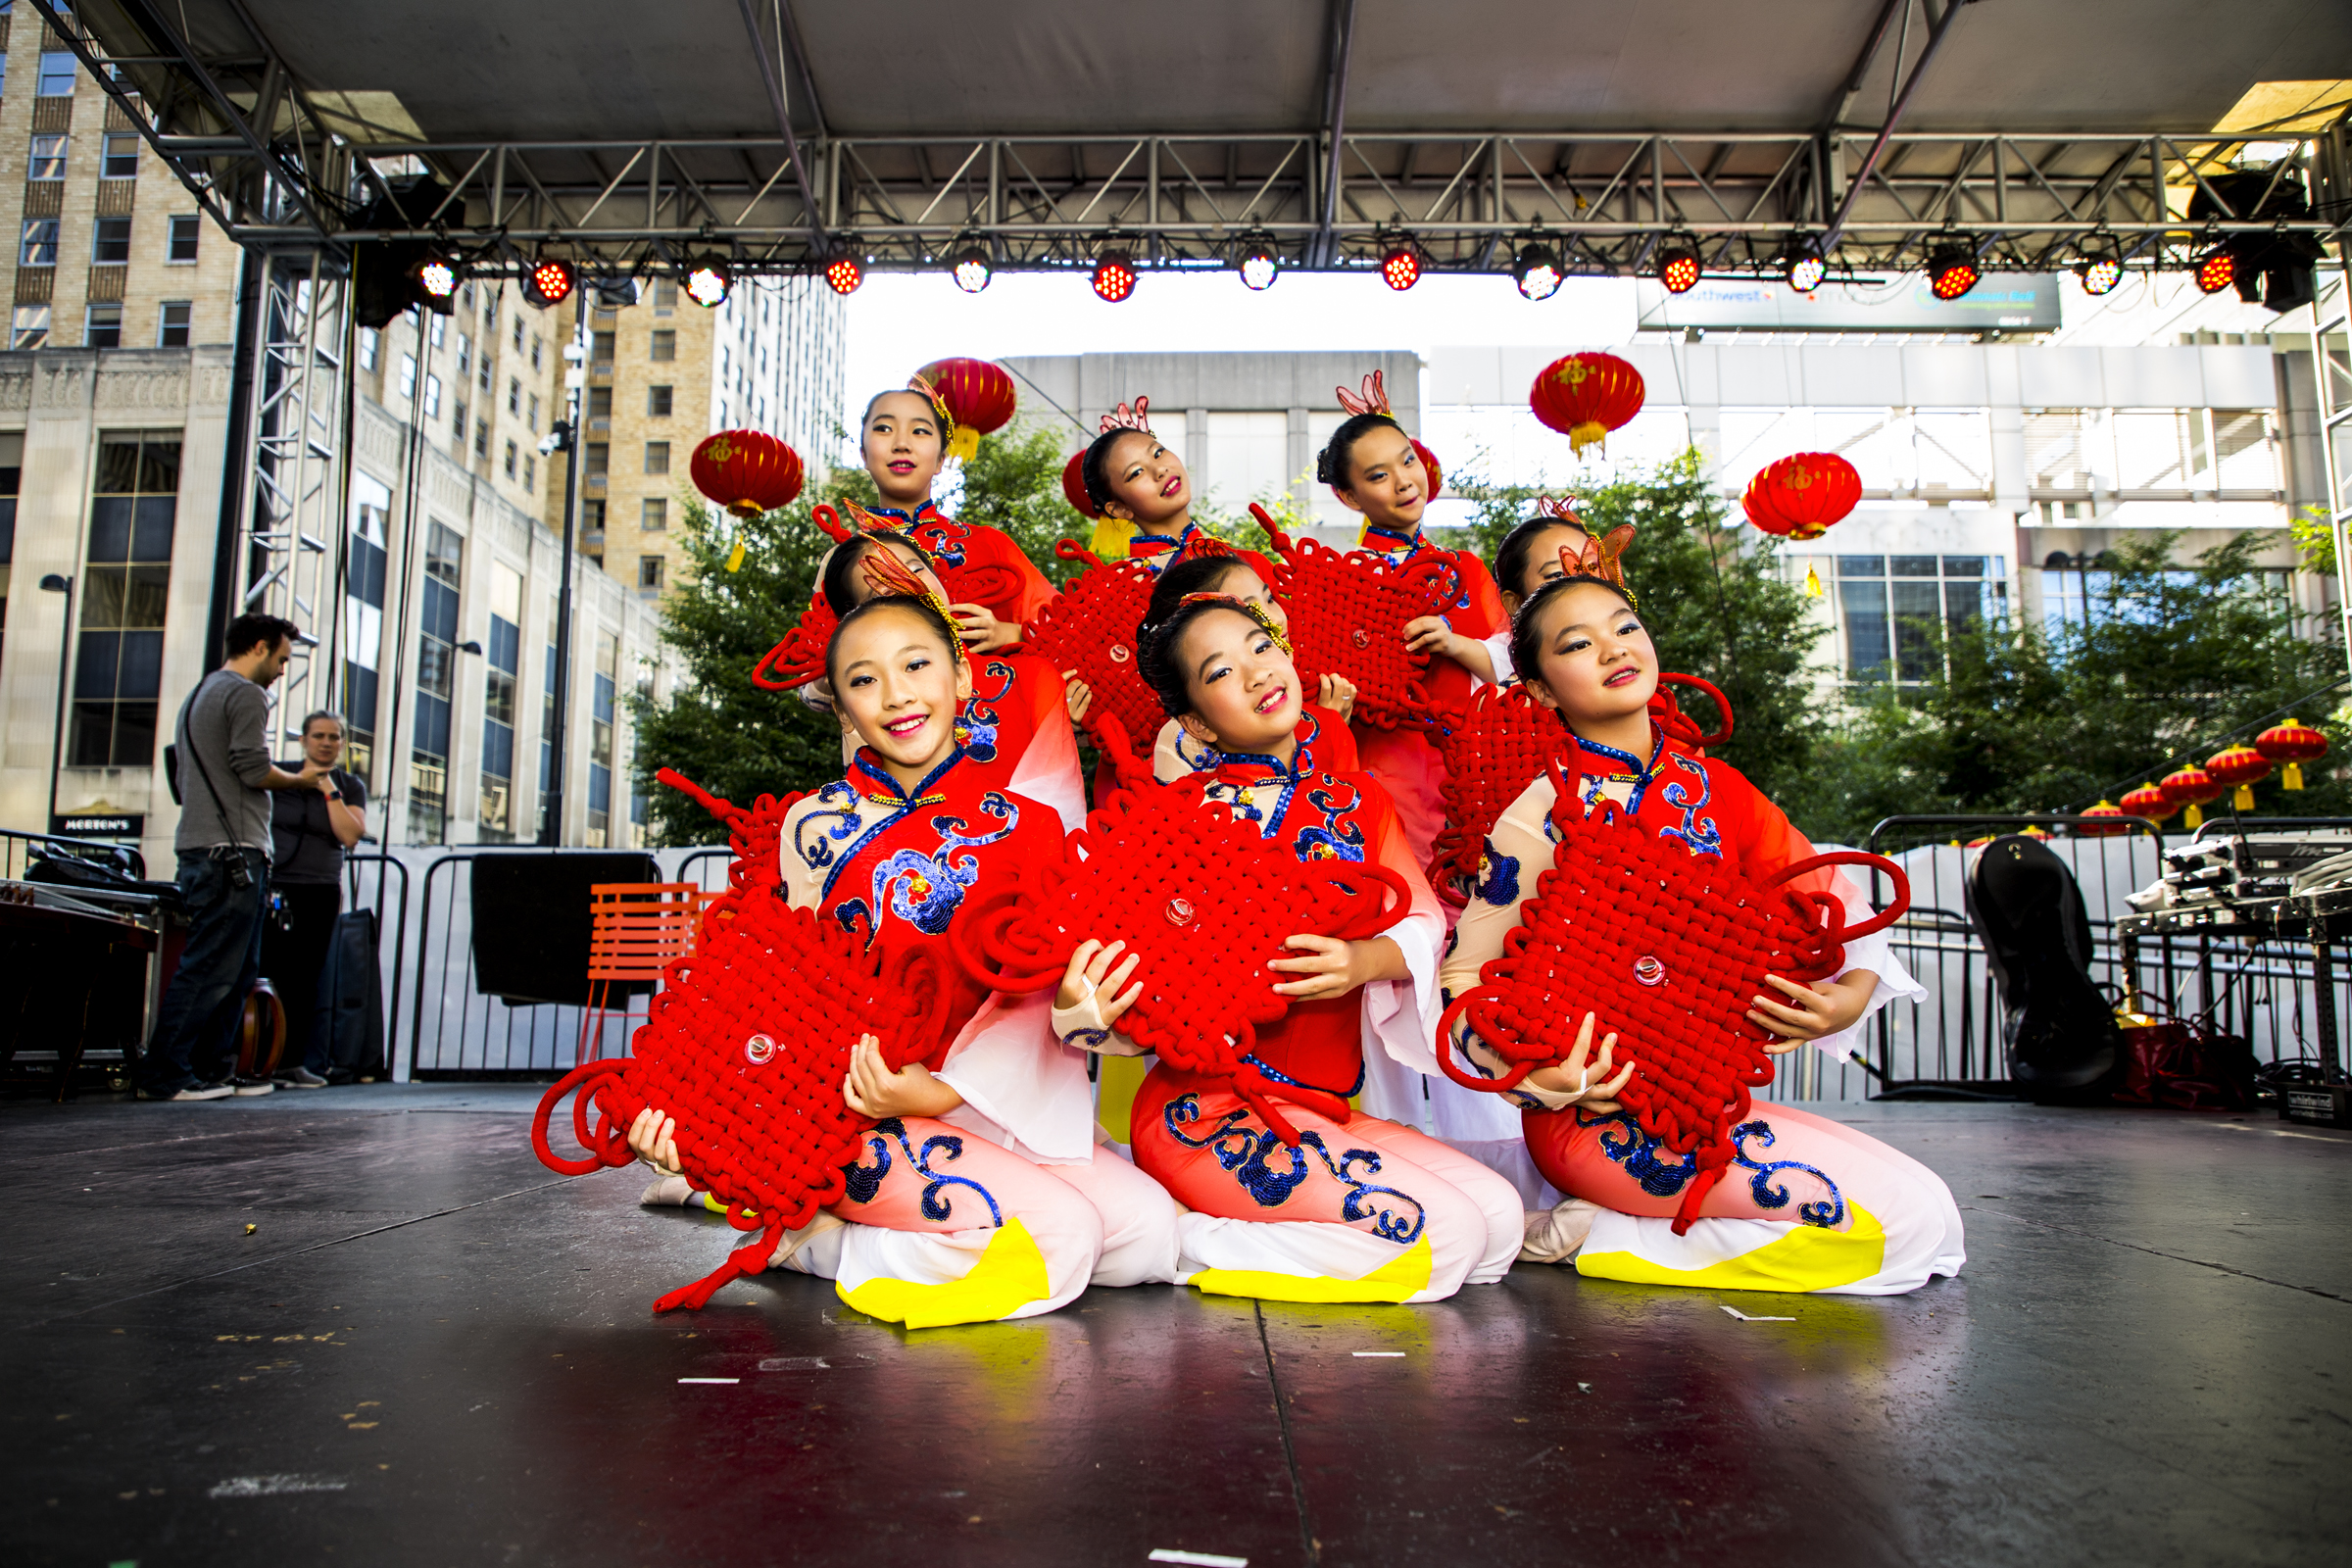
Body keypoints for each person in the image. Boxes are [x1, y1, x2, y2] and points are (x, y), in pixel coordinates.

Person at [629, 590, 1182, 1328]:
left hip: (989, 1107)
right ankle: (813, 1238)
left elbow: (1050, 1003)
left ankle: (865, 1226)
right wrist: (689, 1112)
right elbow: (764, 990)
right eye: (863, 680)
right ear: (841, 709)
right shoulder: (811, 826)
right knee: (1061, 1240)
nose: (894, 695)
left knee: (1147, 1235)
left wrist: (1075, 1016)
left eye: (915, 664)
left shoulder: (1034, 825)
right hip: (862, 1109)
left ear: (963, 676)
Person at [1439, 554, 1963, 1295]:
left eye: (1625, 627)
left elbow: (1835, 900)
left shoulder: (1718, 789)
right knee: (1876, 1234)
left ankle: (1615, 1227)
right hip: (1597, 1118)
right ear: (1538, 690)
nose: (1615, 648)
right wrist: (1539, 1073)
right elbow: (1465, 977)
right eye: (1578, 644)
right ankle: (1595, 1235)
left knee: (1932, 1221)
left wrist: (1850, 993)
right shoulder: (1538, 814)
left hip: (1704, 1097)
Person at [1056, 591, 1522, 1303]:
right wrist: (1085, 1000)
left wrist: (1365, 961)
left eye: (1261, 647)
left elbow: (1424, 922)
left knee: (1497, 1225)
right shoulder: (1176, 825)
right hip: (1207, 1114)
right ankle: (1179, 1238)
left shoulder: (1358, 803)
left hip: (1324, 1107)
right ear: (1192, 723)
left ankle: (1213, 1225)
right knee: (1447, 1240)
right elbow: (1108, 1004)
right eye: (1218, 673)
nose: (1254, 673)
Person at [138, 614, 330, 1102]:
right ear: (261, 647)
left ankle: (211, 1070)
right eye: (282, 659)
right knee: (212, 968)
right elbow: (252, 769)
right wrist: (301, 781)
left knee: (238, 968)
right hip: (231, 852)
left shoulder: (201, 694)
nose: (283, 670)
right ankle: (167, 1073)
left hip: (209, 847)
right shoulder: (245, 693)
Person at [1315, 404, 1508, 871]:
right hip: (1387, 764)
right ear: (1349, 496)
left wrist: (1454, 644)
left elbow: (1515, 659)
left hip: (1478, 760)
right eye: (1379, 476)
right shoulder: (1342, 580)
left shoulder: (1465, 567)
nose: (1404, 481)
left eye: (1408, 461)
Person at [814, 529, 1085, 831]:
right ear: (855, 619)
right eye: (883, 585)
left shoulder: (1031, 676)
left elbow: (1060, 810)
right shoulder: (868, 701)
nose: (909, 583)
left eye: (916, 569)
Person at [858, 381, 1054, 634]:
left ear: (941, 459)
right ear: (863, 454)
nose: (902, 443)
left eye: (920, 431)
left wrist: (1010, 632)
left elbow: (1065, 627)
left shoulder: (991, 545)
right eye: (884, 428)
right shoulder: (844, 559)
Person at [261, 710, 368, 1089]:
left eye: (334, 737)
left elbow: (350, 834)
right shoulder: (280, 775)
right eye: (319, 735)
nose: (326, 742)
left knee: (306, 977)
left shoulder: (349, 785)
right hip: (277, 886)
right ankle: (256, 1059)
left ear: (342, 743)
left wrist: (327, 790)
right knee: (269, 968)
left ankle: (291, 1062)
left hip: (320, 888)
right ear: (304, 740)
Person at [1078, 400, 1250, 574]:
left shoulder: (1252, 564)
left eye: (1158, 453)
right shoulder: (1127, 588)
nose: (1159, 469)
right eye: (1137, 472)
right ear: (1119, 508)